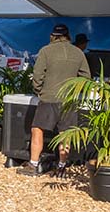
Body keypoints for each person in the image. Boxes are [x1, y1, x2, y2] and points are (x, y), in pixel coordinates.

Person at [23, 24, 91, 177]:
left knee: (37, 129)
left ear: (52, 36)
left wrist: (39, 90)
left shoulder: (46, 51)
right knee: (65, 134)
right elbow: (86, 78)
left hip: (49, 98)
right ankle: (61, 166)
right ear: (68, 36)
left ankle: (33, 164)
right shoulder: (78, 53)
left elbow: (37, 75)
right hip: (69, 100)